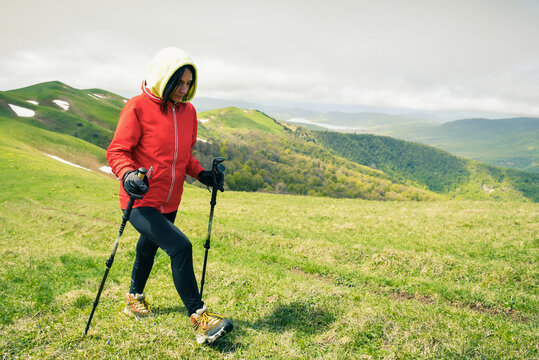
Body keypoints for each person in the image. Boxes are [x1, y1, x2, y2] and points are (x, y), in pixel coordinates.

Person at [106, 47, 233, 345]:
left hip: (170, 199)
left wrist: (203, 175)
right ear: (164, 78)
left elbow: (185, 157)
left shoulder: (188, 112)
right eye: (178, 83)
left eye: (189, 83)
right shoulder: (137, 107)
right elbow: (117, 151)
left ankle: (134, 298)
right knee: (180, 246)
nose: (184, 89)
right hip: (140, 200)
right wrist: (127, 175)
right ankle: (199, 318)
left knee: (148, 248)